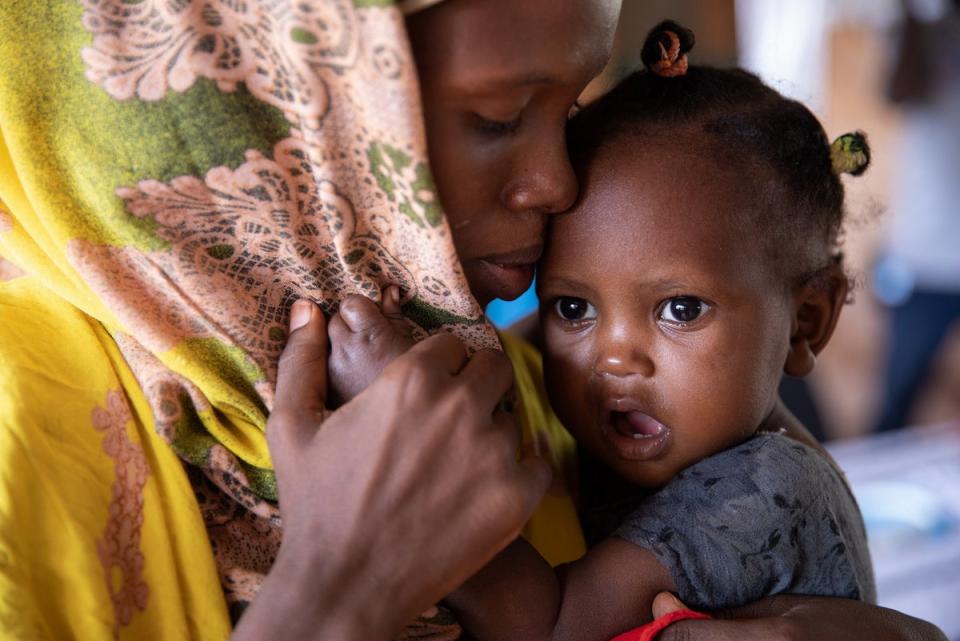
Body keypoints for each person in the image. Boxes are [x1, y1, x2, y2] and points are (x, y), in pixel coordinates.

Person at [0, 2, 945, 641]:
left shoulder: (493, 372)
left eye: (569, 112)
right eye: (496, 116)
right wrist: (332, 592)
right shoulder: (25, 435)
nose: (560, 184)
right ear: (255, 107)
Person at [325, 20, 878, 640]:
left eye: (681, 310)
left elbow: (552, 627)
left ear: (806, 320)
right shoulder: (666, 415)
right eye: (573, 309)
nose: (613, 358)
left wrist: (400, 424)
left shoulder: (762, 488)